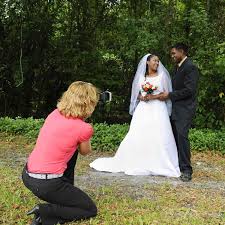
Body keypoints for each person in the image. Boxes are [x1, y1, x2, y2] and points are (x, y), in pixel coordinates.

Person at [90, 54, 181, 177]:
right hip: (143, 109)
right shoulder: (140, 77)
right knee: (139, 133)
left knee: (159, 134)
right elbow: (136, 95)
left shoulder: (162, 76)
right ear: (147, 62)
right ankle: (138, 160)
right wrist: (142, 97)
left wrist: (153, 96)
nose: (157, 63)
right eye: (155, 61)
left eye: (158, 61)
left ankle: (160, 162)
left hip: (158, 109)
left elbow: (166, 94)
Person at [22, 81, 99, 225]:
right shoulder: (84, 128)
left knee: (70, 150)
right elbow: (85, 152)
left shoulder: (54, 114)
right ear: (89, 104)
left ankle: (65, 192)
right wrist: (86, 132)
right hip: (47, 184)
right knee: (89, 209)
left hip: (27, 176)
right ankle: (44, 211)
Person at [159, 43, 199, 182]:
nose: (172, 56)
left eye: (174, 53)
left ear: (182, 52)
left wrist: (169, 95)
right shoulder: (178, 67)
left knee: (182, 138)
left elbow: (189, 90)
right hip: (176, 109)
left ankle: (187, 170)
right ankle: (178, 165)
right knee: (175, 137)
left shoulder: (190, 67)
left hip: (185, 109)